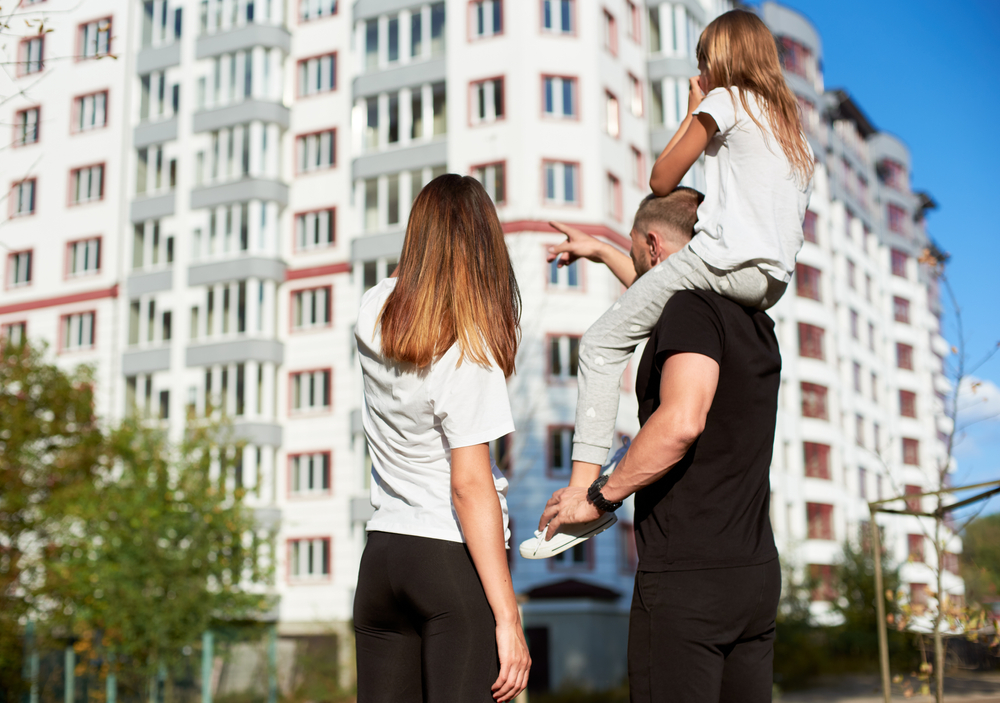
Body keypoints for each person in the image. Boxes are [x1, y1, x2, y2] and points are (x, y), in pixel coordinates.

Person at [540, 188, 783, 703]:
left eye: (633, 252)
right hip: (754, 578)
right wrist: (605, 252)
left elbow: (680, 424)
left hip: (689, 582)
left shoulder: (689, 311)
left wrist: (599, 496)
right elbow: (660, 306)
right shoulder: (754, 321)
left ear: (653, 245)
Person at [564, 9, 813, 485]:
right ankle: (629, 461)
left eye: (704, 60)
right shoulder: (792, 133)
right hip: (769, 281)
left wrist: (692, 111)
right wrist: (599, 250)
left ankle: (580, 489)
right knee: (665, 300)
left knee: (600, 343)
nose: (699, 73)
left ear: (719, 60)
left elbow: (661, 181)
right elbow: (657, 287)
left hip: (726, 258)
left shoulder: (727, 100)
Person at [354, 174, 530, 703]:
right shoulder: (466, 349)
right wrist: (508, 618)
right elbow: (469, 487)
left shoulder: (371, 310)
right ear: (484, 249)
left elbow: (404, 280)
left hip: (382, 558)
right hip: (447, 564)